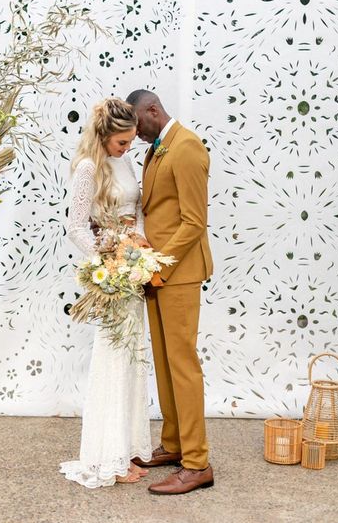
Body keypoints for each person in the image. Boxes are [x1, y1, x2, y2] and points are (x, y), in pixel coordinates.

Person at [59, 98, 152, 487]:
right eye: (121, 143)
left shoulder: (124, 161)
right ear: (103, 136)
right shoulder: (86, 168)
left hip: (133, 270)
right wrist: (110, 253)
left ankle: (123, 448)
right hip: (113, 273)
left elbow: (137, 208)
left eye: (130, 143)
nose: (127, 149)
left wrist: (141, 242)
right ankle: (106, 457)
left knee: (132, 359)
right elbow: (77, 226)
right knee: (114, 356)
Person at [127, 89, 214, 495]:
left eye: (137, 124)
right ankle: (176, 443)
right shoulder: (157, 148)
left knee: (183, 365)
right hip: (157, 274)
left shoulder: (187, 147)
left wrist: (158, 264)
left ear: (153, 110)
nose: (134, 132)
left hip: (177, 273)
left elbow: (194, 222)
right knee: (163, 364)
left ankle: (197, 464)